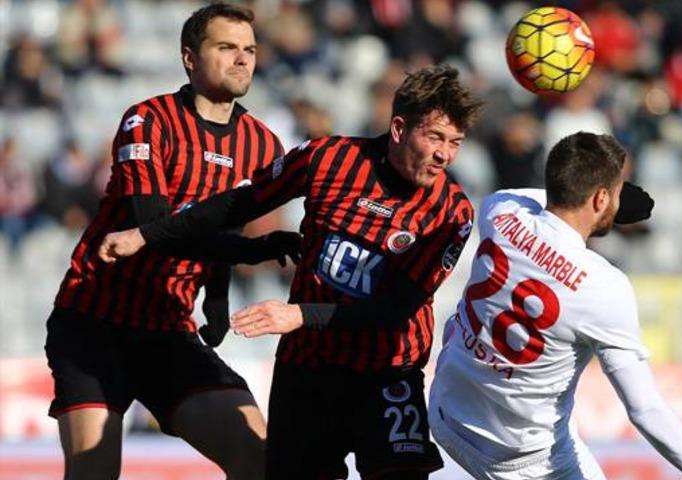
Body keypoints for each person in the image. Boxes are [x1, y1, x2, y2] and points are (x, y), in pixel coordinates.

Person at [98, 64, 482, 480]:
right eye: (435, 137)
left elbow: (393, 311)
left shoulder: (452, 213)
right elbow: (238, 204)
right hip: (307, 373)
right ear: (398, 128)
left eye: (455, 142)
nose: (445, 154)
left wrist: (298, 315)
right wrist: (147, 235)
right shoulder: (329, 159)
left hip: (387, 374)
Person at [45, 4, 300, 479]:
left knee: (259, 460)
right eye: (226, 48)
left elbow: (222, 226)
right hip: (94, 323)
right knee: (94, 473)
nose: (242, 59)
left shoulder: (264, 146)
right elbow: (153, 228)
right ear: (189, 57)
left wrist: (217, 299)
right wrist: (257, 250)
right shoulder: (148, 120)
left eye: (249, 49)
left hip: (167, 329)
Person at [427, 132, 682, 480]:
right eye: (617, 192)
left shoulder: (500, 211)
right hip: (525, 462)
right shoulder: (603, 287)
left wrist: (603, 200)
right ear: (600, 198)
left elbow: (542, 198)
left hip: (447, 415)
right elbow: (644, 409)